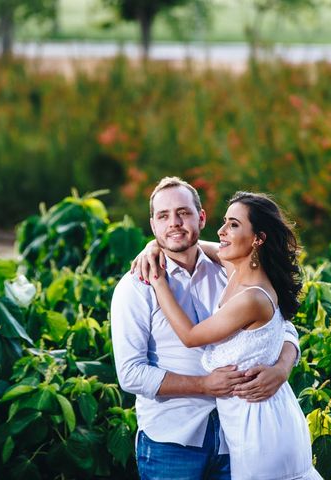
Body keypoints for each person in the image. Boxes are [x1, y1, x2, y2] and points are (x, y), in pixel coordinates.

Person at [110, 177, 302, 480]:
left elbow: (282, 326)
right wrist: (203, 385)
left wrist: (282, 367)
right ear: (153, 225)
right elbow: (131, 373)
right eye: (163, 216)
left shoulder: (232, 267)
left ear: (201, 217)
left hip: (238, 438)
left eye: (183, 213)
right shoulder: (137, 287)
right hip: (173, 440)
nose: (174, 223)